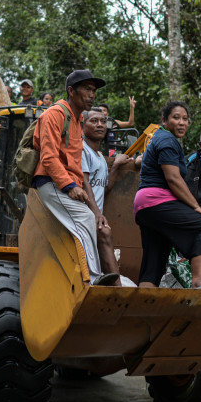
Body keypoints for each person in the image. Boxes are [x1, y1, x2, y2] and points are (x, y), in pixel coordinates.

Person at [31, 70, 119, 286]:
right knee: (86, 219)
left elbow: (74, 161)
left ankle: (94, 276)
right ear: (71, 91)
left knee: (90, 221)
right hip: (51, 182)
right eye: (87, 89)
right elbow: (49, 158)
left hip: (66, 184)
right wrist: (69, 185)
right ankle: (94, 279)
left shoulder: (78, 119)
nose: (92, 95)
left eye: (94, 91)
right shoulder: (54, 114)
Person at [134, 101, 201, 290]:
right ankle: (199, 281)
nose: (182, 122)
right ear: (164, 121)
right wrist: (196, 207)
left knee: (155, 256)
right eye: (176, 118)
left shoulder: (159, 139)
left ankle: (144, 295)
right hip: (156, 201)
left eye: (185, 119)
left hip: (144, 205)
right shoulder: (167, 140)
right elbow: (173, 179)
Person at [81, 107, 133, 276]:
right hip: (83, 216)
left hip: (95, 217)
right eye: (94, 121)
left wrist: (116, 165)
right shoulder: (81, 150)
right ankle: (117, 289)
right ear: (82, 125)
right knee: (105, 234)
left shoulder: (99, 157)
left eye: (103, 121)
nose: (100, 125)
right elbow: (83, 182)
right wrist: (96, 214)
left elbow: (104, 188)